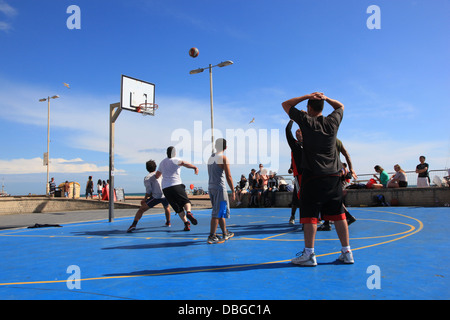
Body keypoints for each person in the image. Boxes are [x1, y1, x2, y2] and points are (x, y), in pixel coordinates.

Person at [282, 92, 353, 266]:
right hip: (334, 176)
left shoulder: (307, 121)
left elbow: (286, 104)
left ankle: (309, 254)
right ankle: (347, 252)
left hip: (313, 176)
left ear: (309, 108)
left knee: (310, 216)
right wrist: (326, 98)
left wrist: (307, 95)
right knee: (339, 214)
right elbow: (340, 106)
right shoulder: (332, 122)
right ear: (322, 107)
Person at [155, 146, 199, 231]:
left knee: (178, 208)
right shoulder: (175, 160)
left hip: (166, 188)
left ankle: (186, 223)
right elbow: (185, 163)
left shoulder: (162, 162)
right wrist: (194, 167)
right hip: (176, 185)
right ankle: (189, 212)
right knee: (186, 201)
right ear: (174, 153)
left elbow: (157, 175)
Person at [318, 139, 357, 231]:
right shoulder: (337, 140)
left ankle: (328, 223)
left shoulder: (323, 139)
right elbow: (346, 154)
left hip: (327, 171)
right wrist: (351, 168)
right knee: (332, 197)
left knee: (325, 197)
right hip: (335, 171)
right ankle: (347, 216)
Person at [127, 160, 171, 233]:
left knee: (141, 210)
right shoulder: (161, 174)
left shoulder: (147, 178)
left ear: (147, 168)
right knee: (167, 207)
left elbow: (149, 190)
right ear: (155, 167)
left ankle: (134, 225)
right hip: (164, 195)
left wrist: (145, 199)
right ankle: (168, 222)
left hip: (156, 197)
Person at [207, 138, 235, 244]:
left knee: (221, 211)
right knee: (217, 213)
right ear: (226, 147)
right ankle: (212, 236)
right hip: (219, 188)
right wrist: (233, 190)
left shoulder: (211, 158)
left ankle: (224, 232)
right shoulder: (223, 158)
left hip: (211, 187)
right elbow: (229, 176)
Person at [285, 120, 303, 225]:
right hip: (298, 175)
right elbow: (294, 160)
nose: (297, 135)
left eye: (299, 133)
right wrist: (292, 119)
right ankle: (293, 216)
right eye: (296, 133)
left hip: (309, 174)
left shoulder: (308, 145)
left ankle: (315, 217)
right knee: (297, 197)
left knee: (310, 196)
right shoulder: (294, 145)